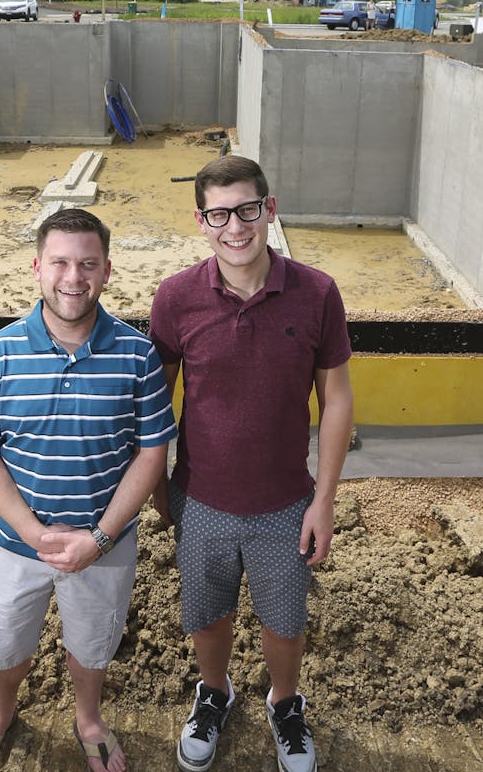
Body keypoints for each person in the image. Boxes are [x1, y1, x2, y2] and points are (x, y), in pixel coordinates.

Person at [148, 155, 354, 772]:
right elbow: (157, 397)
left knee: (285, 622)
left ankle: (285, 704)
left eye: (246, 210)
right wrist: (157, 481)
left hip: (287, 503)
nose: (234, 227)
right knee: (208, 616)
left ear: (269, 210)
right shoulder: (176, 297)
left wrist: (324, 499)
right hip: (202, 498)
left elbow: (336, 398)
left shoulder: (316, 292)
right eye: (219, 214)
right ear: (201, 221)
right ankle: (214, 694)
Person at [0, 207, 178, 772]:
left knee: (91, 645)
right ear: (36, 267)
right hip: (13, 545)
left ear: (107, 271)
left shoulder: (137, 354)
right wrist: (32, 533)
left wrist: (99, 539)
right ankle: (0, 711)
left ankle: (88, 718)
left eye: (87, 263)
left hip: (103, 547)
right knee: (2, 647)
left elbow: (152, 451)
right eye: (59, 262)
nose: (72, 277)